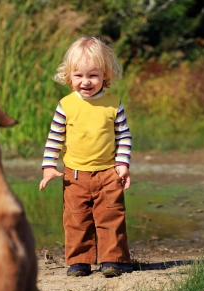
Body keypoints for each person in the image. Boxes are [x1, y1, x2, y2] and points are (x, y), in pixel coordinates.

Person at [39, 36, 132, 277]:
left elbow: (123, 136)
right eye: (79, 75)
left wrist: (122, 164)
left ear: (105, 75)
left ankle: (113, 260)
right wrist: (49, 166)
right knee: (76, 219)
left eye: (93, 75)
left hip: (109, 173)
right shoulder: (66, 104)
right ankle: (79, 261)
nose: (86, 82)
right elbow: (55, 138)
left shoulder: (113, 104)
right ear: (69, 76)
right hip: (75, 174)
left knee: (111, 216)